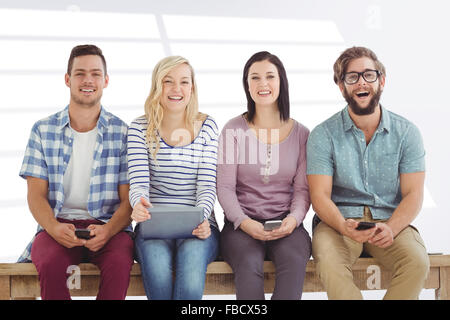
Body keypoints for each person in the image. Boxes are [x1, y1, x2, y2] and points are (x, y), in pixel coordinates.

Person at [306, 46, 429, 300]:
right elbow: (319, 197)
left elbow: (414, 194)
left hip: (389, 221)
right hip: (338, 222)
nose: (361, 82)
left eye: (369, 75)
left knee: (417, 262)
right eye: (352, 77)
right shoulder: (323, 134)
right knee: (330, 263)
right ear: (342, 87)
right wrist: (343, 225)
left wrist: (393, 228)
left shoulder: (407, 133)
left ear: (381, 81)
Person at [18, 44, 134, 300]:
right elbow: (36, 195)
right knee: (49, 264)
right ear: (68, 79)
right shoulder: (42, 130)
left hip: (108, 226)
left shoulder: (123, 133)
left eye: (95, 73)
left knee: (119, 264)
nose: (88, 80)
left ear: (105, 81)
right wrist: (52, 226)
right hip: (58, 225)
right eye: (80, 73)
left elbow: (128, 200)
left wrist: (109, 230)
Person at [217, 51, 312, 300]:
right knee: (249, 267)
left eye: (270, 76)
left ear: (281, 81)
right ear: (247, 85)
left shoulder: (302, 134)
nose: (263, 84)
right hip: (241, 226)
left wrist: (292, 220)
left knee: (293, 265)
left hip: (288, 225)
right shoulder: (233, 129)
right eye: (255, 78)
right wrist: (245, 222)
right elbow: (225, 188)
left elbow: (303, 190)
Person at [128, 55, 219, 300]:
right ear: (157, 86)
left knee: (190, 276)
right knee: (157, 271)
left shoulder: (207, 126)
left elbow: (208, 184)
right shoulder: (139, 128)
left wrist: (201, 215)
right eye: (168, 81)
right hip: (154, 225)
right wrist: (138, 203)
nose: (176, 89)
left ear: (192, 87)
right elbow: (138, 182)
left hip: (200, 227)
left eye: (184, 82)